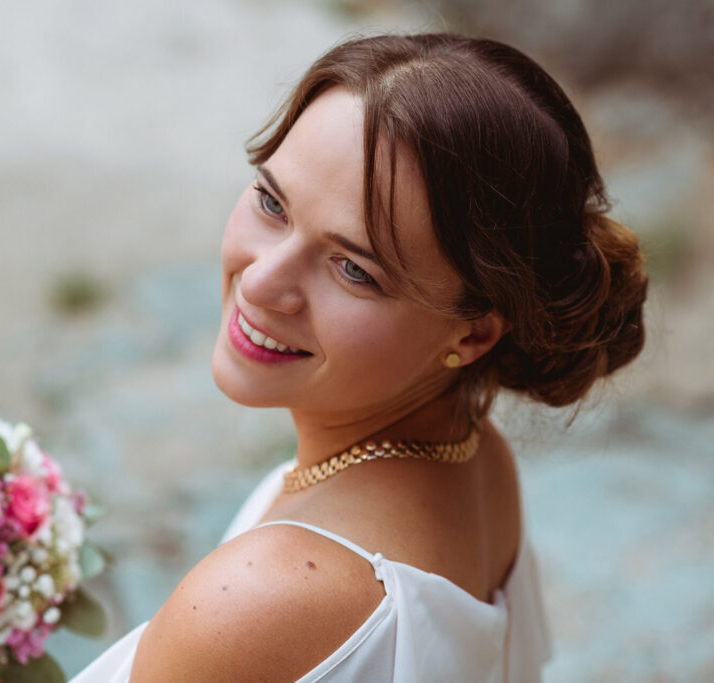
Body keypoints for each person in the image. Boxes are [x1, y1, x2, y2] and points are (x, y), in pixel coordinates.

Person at [71, 31, 648, 682]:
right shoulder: (480, 458)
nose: (261, 283)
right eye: (271, 202)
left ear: (474, 334)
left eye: (352, 268)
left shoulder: (251, 604)